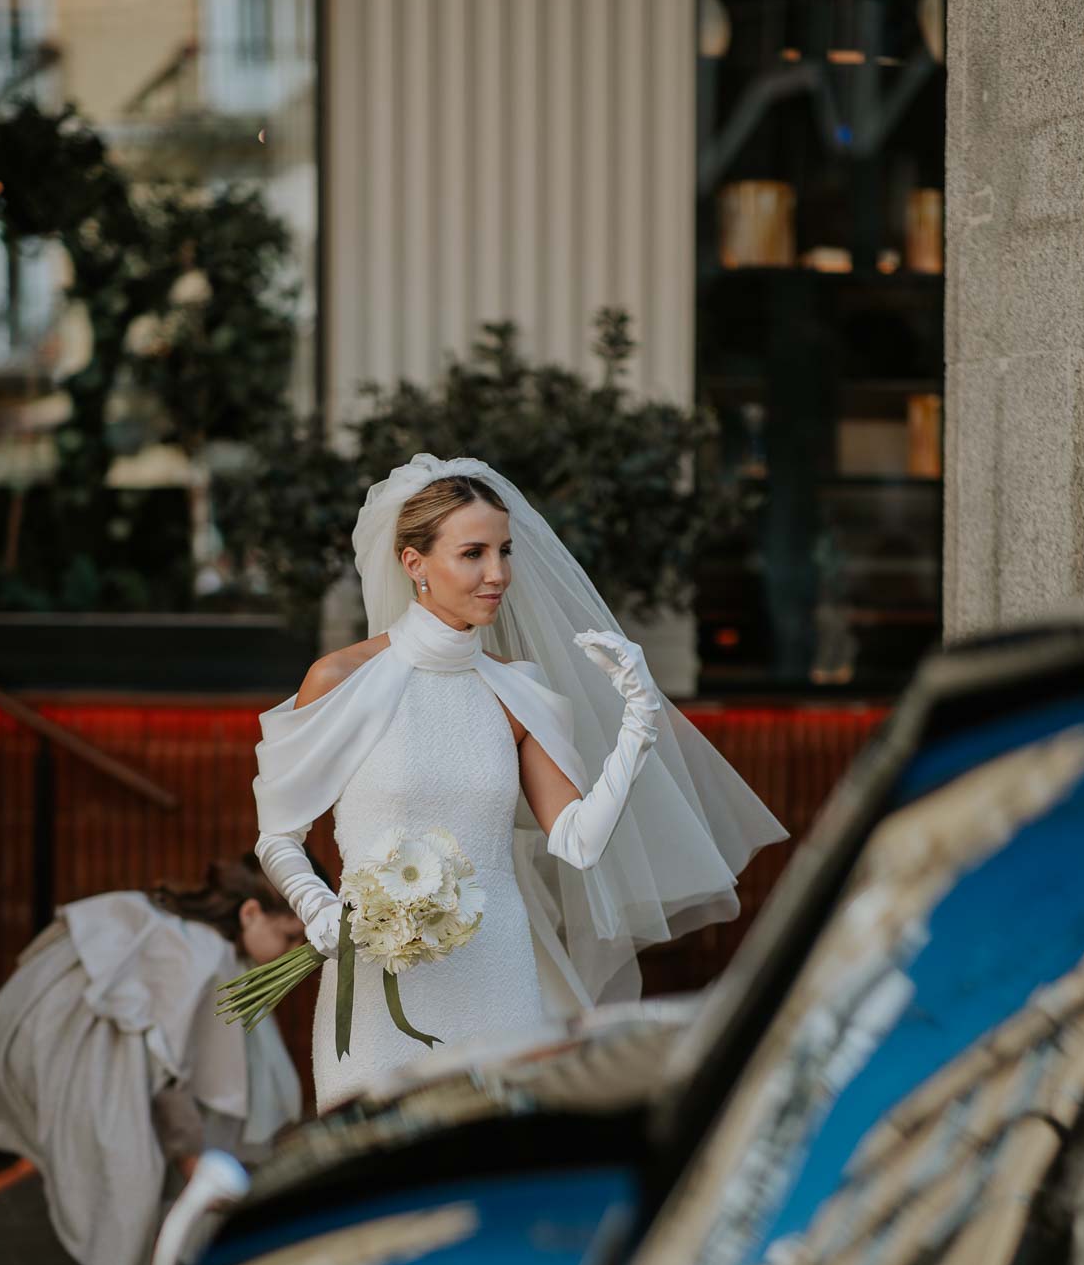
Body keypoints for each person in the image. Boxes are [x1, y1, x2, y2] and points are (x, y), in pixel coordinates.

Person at [253, 453, 789, 1113]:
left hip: (498, 969)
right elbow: (279, 832)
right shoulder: (340, 681)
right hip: (376, 978)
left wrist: (637, 725)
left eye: (504, 551)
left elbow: (578, 843)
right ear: (414, 563)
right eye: (473, 553)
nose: (498, 574)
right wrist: (316, 907)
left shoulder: (517, 690)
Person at [0, 855, 307, 1265]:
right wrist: (195, 1163)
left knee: (143, 1186)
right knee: (128, 1188)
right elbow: (172, 1078)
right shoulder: (202, 956)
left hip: (117, 1063)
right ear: (251, 912)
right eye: (291, 935)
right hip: (105, 1069)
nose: (299, 952)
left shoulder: (199, 943)